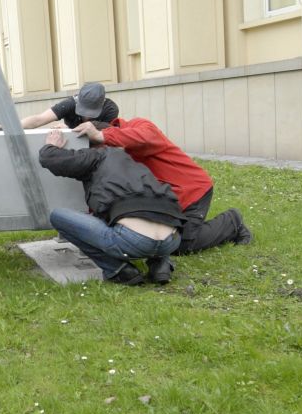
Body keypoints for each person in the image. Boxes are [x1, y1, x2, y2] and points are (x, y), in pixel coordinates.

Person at [73, 117, 252, 254]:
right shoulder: (114, 149)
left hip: (192, 190)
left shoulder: (138, 126)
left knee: (182, 244)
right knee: (162, 238)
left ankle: (232, 221)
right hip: (170, 197)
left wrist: (102, 136)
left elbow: (145, 136)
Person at [39, 129, 186, 285]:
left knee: (58, 217)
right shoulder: (134, 164)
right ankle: (161, 266)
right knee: (152, 210)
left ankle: (119, 270)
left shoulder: (99, 155)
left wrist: (51, 147)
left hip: (133, 240)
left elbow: (52, 159)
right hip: (172, 240)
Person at [20, 82, 119, 129]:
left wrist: (70, 130)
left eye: (91, 111)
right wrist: (9, 128)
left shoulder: (110, 109)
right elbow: (39, 119)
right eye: (84, 110)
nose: (87, 116)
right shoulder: (69, 104)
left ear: (102, 102)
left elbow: (103, 136)